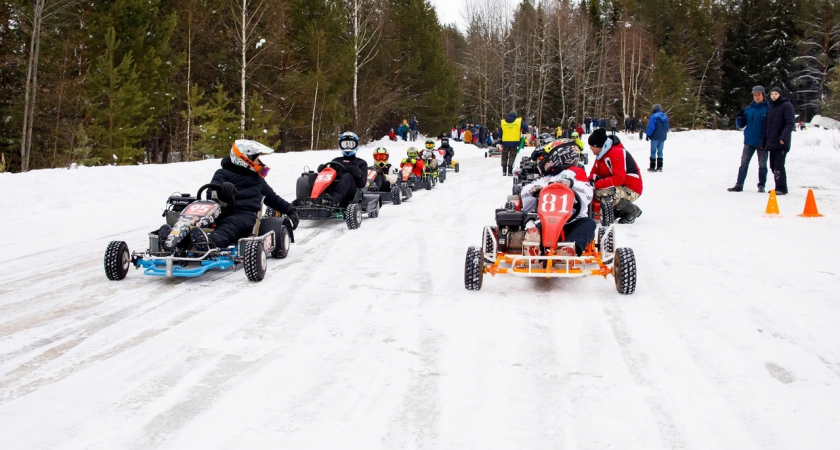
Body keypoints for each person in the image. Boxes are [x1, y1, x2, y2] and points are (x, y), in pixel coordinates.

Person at [164, 140, 299, 252]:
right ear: (245, 159)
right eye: (257, 159)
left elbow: (273, 198)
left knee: (230, 227)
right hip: (220, 212)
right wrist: (223, 190)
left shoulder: (258, 180)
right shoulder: (222, 173)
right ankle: (174, 239)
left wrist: (290, 210)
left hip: (245, 216)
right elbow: (210, 193)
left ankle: (209, 244)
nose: (260, 163)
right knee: (193, 220)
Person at [520, 141, 596, 257]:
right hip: (547, 221)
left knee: (589, 224)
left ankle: (568, 249)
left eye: (542, 158)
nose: (540, 162)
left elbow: (587, 192)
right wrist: (533, 191)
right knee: (537, 229)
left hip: (573, 220)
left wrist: (571, 184)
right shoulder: (544, 179)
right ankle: (535, 250)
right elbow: (526, 204)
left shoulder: (575, 173)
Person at [587, 128, 643, 224]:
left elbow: (619, 178)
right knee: (592, 193)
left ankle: (632, 210)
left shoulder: (616, 152)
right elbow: (594, 171)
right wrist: (590, 181)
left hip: (631, 187)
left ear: (598, 145)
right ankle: (617, 211)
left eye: (591, 146)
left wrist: (597, 185)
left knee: (601, 194)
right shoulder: (601, 155)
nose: (590, 148)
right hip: (618, 186)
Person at [728, 86, 769, 193]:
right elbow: (740, 125)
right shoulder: (748, 109)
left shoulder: (769, 109)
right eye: (755, 95)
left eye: (759, 95)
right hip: (749, 141)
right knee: (744, 163)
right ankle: (739, 184)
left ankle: (761, 185)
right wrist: (739, 117)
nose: (757, 97)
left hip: (763, 141)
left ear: (763, 95)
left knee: (762, 164)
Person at [310, 132, 368, 206]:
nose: (347, 147)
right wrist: (324, 170)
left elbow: (362, 184)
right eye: (345, 145)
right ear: (340, 145)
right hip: (333, 188)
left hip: (351, 193)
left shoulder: (361, 163)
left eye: (350, 145)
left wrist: (358, 174)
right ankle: (314, 199)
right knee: (313, 176)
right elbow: (329, 175)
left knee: (347, 176)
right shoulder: (336, 161)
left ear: (356, 145)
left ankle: (333, 201)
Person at [760, 87, 795, 195]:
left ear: (780, 94)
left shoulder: (787, 106)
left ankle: (781, 188)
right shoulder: (770, 108)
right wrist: (763, 142)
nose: (774, 96)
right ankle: (779, 186)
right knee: (772, 165)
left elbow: (790, 123)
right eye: (772, 94)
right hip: (772, 142)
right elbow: (766, 127)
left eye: (776, 94)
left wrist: (783, 137)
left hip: (782, 142)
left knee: (778, 165)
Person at [500, 110, 529, 176]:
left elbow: (500, 133)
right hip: (514, 142)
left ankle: (504, 171)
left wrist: (500, 141)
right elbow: (526, 128)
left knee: (504, 156)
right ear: (515, 115)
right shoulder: (518, 121)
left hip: (505, 142)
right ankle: (510, 172)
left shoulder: (503, 122)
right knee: (512, 157)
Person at [645, 104, 669, 172]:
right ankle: (660, 167)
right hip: (662, 137)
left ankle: (652, 167)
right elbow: (667, 128)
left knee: (653, 151)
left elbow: (651, 127)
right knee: (660, 151)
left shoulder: (653, 116)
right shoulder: (665, 116)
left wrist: (648, 135)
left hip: (655, 137)